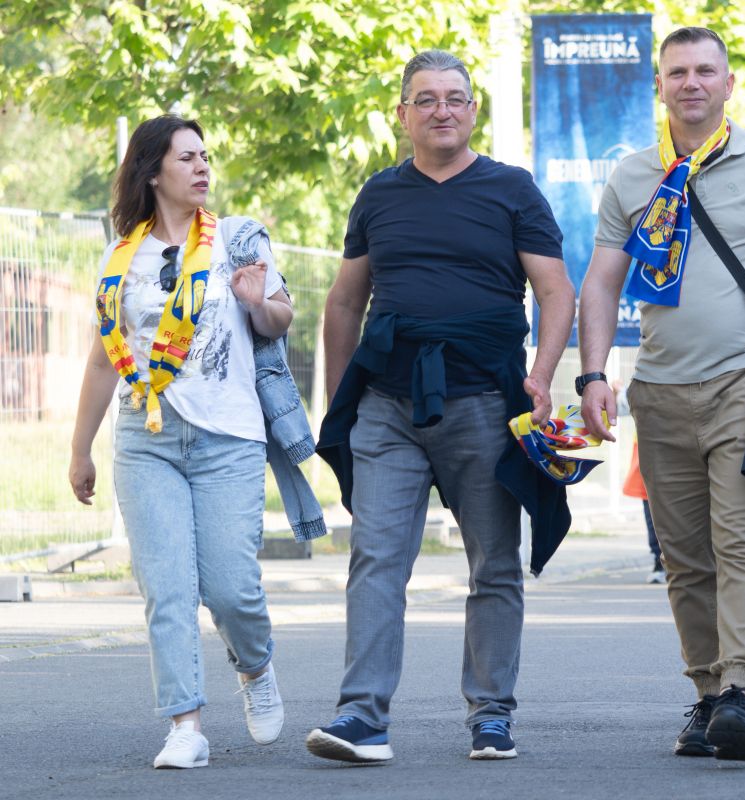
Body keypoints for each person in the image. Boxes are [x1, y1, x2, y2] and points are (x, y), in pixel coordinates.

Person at [578, 27, 745, 762]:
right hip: (659, 391)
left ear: (729, 84)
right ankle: (704, 693)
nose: (691, 83)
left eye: (705, 71)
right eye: (677, 73)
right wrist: (594, 375)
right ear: (659, 86)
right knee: (687, 558)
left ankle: (738, 691)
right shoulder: (633, 174)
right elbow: (600, 281)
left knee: (742, 540)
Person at [306, 50, 575, 763]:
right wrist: (341, 400)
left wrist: (543, 376)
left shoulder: (512, 190)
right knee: (375, 558)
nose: (441, 110)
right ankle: (361, 716)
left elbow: (555, 291)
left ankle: (491, 713)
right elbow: (343, 300)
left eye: (454, 97)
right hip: (388, 405)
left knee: (493, 563)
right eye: (424, 100)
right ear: (403, 116)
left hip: (484, 402)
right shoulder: (379, 194)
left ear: (474, 109)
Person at [68, 115, 295, 768]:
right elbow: (100, 359)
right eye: (187, 157)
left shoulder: (237, 238)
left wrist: (256, 302)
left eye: (205, 156)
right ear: (152, 171)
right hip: (147, 438)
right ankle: (184, 726)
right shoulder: (121, 259)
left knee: (230, 588)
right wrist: (80, 449)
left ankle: (254, 666)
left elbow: (279, 317)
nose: (202, 167)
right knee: (166, 587)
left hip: (228, 438)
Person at [614, 379, 665, 583]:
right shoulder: (646, 376)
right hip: (647, 457)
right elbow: (628, 404)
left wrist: (622, 392)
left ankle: (664, 561)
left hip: (666, 456)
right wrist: (619, 393)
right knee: (652, 514)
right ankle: (659, 560)